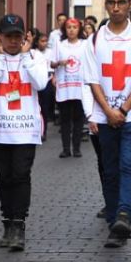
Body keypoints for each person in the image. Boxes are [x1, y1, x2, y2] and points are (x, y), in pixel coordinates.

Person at [82, 0, 131, 247]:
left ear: (130, 4)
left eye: (121, 2)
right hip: (105, 116)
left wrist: (123, 110)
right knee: (109, 169)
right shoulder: (93, 40)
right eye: (112, 2)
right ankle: (115, 220)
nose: (116, 8)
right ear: (106, 4)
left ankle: (125, 214)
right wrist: (107, 111)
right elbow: (92, 80)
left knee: (127, 163)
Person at [0, 15, 49, 251]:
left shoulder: (36, 57)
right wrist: (0, 60)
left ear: (25, 37)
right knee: (4, 177)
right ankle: (7, 223)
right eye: (9, 36)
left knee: (20, 175)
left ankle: (19, 225)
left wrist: (27, 56)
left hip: (26, 129)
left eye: (18, 35)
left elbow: (41, 83)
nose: (13, 41)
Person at [50, 17, 88, 157]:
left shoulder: (85, 44)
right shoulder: (59, 44)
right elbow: (51, 63)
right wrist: (59, 63)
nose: (72, 30)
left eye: (75, 27)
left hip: (79, 87)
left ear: (79, 29)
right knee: (65, 119)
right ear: (65, 30)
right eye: (69, 27)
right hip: (65, 86)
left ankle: (76, 148)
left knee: (78, 119)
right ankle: (66, 148)